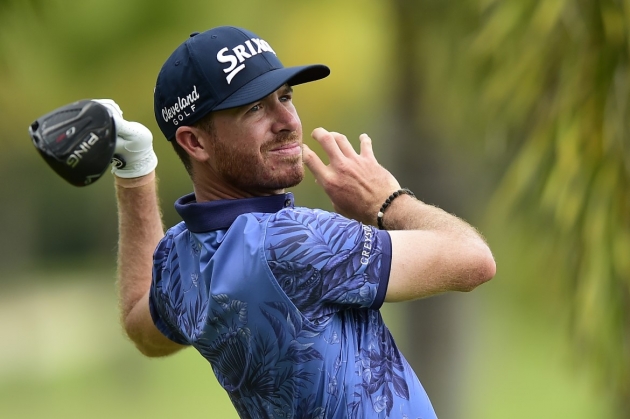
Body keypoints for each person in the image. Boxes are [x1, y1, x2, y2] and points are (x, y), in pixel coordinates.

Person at [102, 26, 496, 419]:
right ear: (195, 143)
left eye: (285, 97)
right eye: (254, 108)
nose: (287, 120)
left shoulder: (181, 256)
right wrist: (387, 201)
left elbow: (144, 329)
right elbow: (474, 259)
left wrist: (134, 171)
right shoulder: (294, 240)